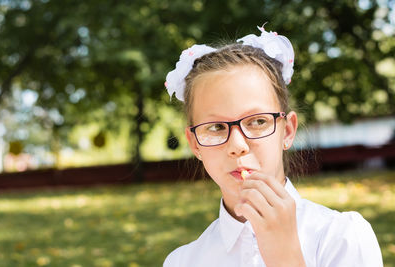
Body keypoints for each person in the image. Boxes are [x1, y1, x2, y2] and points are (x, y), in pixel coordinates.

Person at [162, 25, 383, 267]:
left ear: (287, 131)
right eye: (215, 127)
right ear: (195, 144)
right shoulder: (182, 261)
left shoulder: (341, 237)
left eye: (257, 121)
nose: (237, 146)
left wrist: (284, 257)